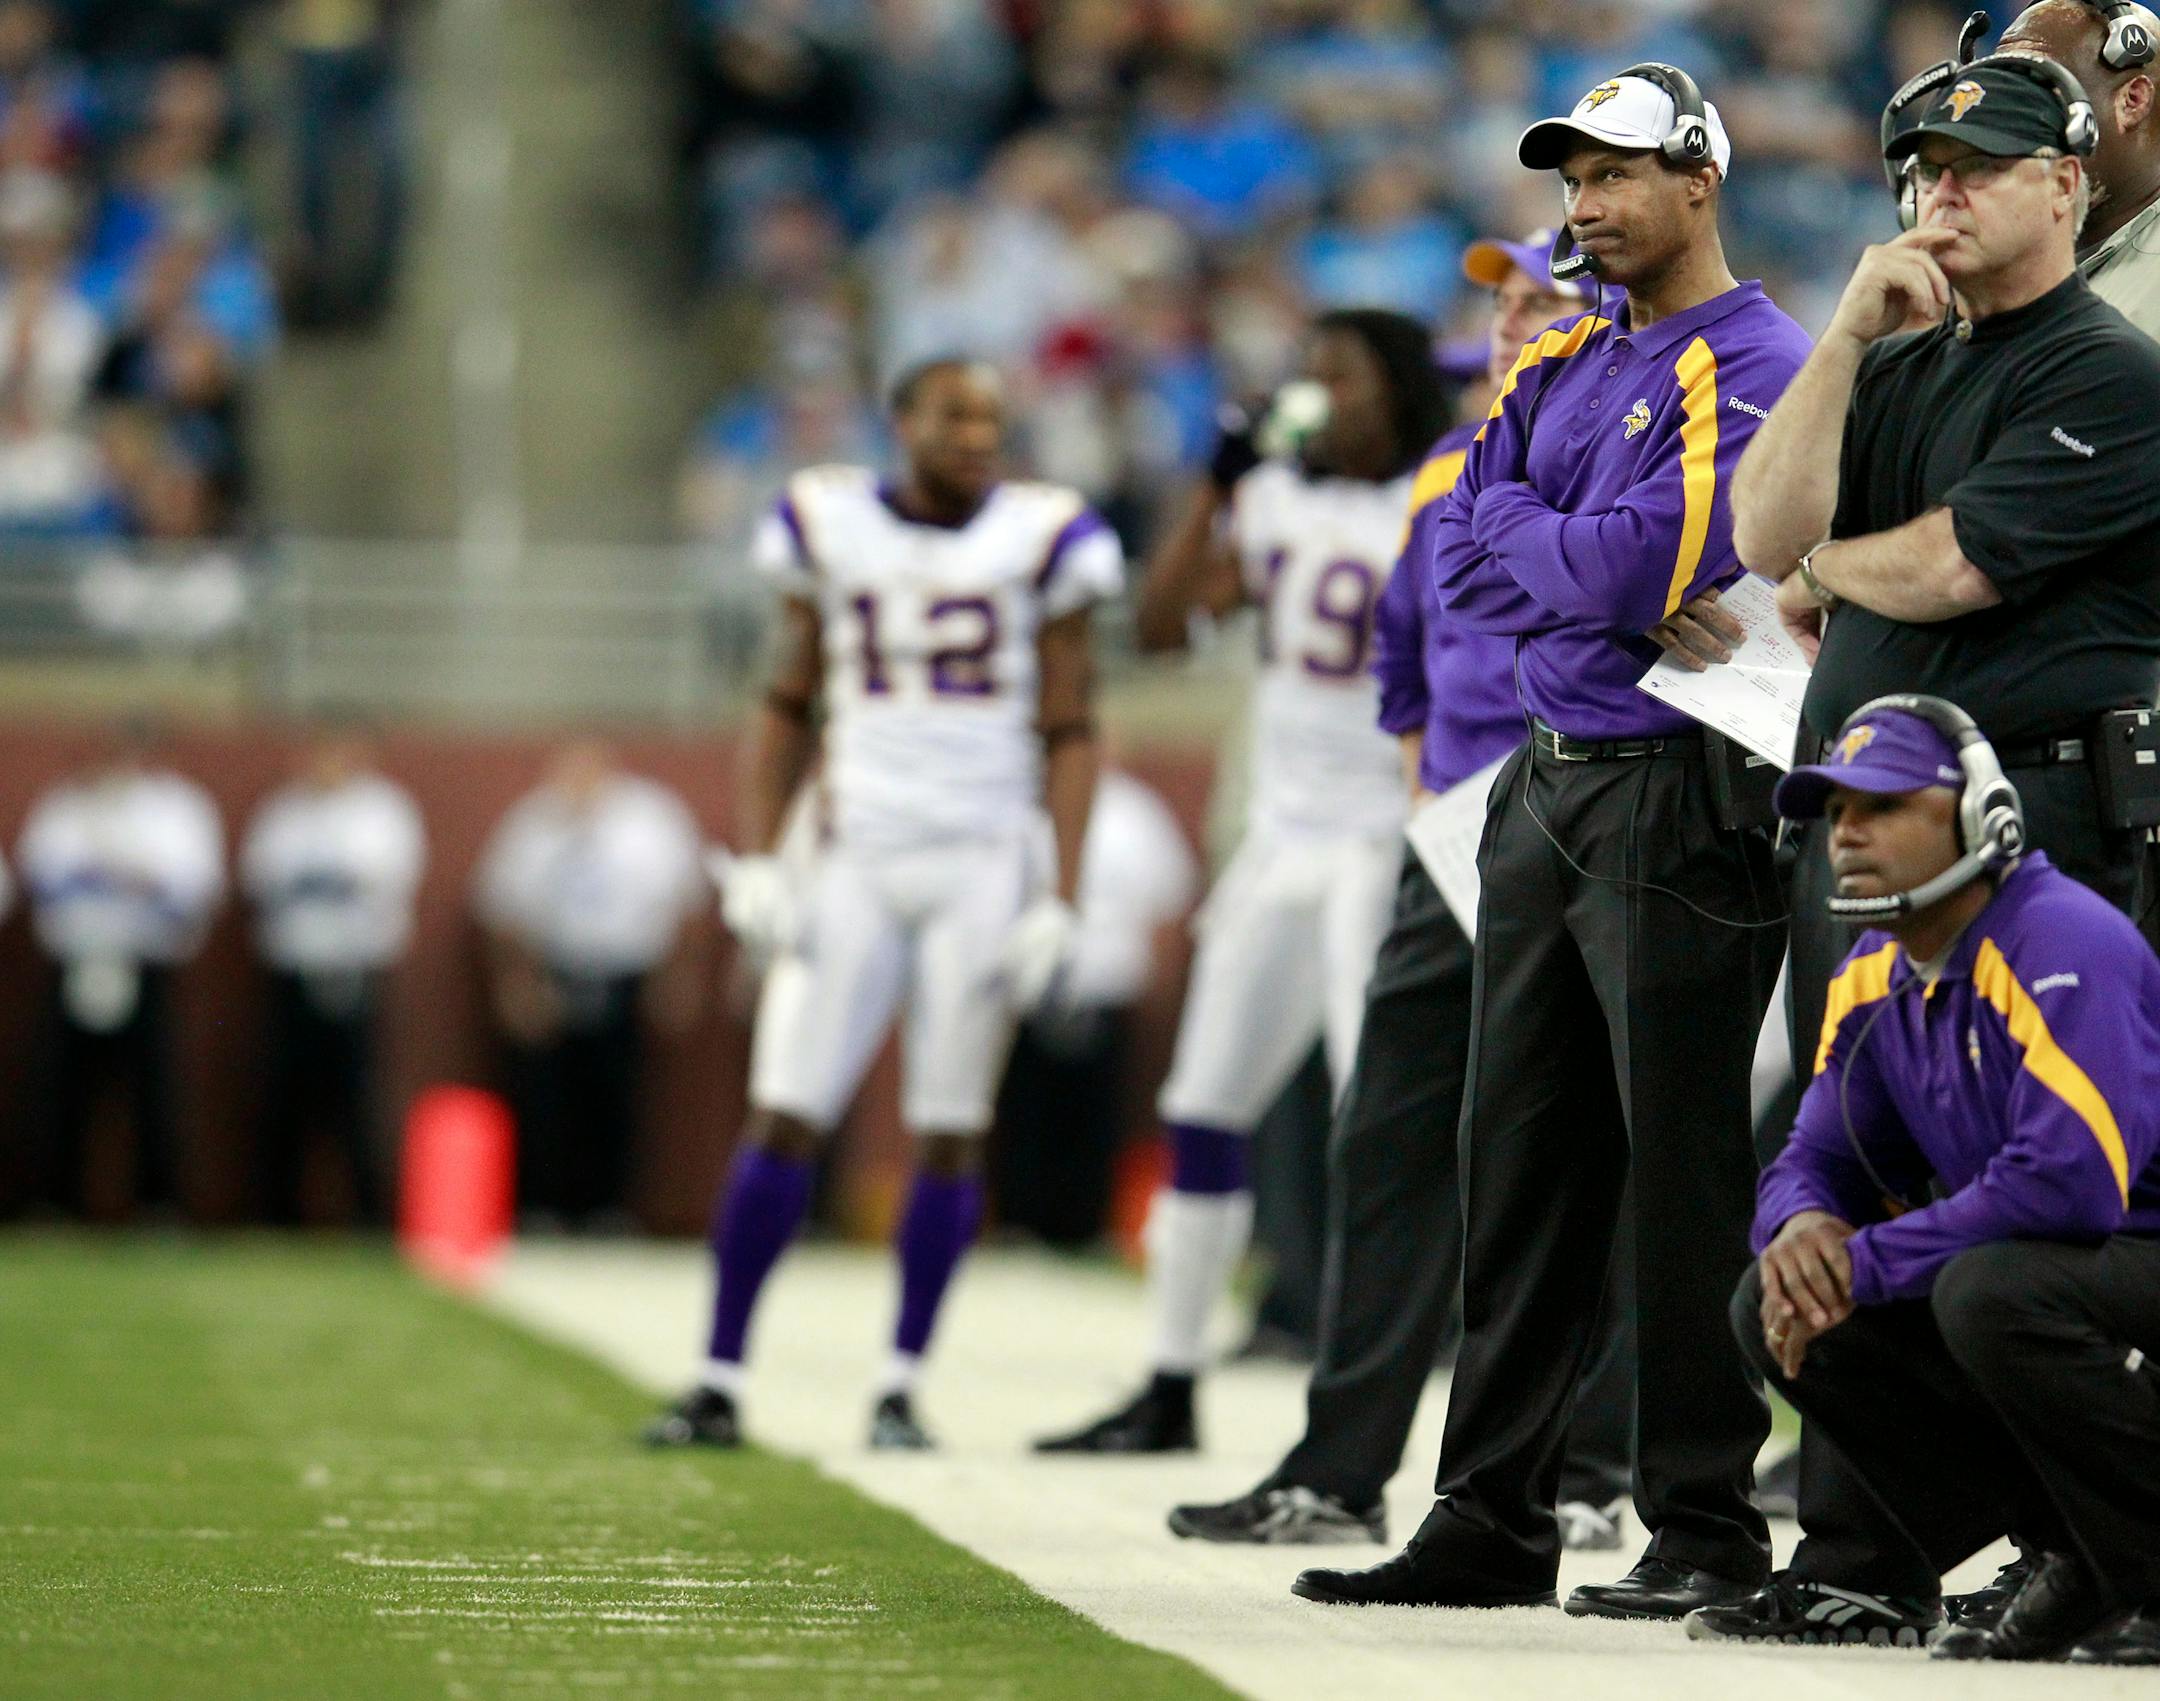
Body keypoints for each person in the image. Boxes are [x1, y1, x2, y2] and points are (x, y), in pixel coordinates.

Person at [1294, 66, 1810, 1618]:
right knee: (1511, 1162)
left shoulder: (1756, 355)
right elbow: (1463, 551)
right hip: (1543, 779)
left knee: (1679, 1169)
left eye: (1619, 177)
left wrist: (1564, 550)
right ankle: (1492, 1513)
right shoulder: (1572, 351)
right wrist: (1568, 556)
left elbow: (1649, 554)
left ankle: (1705, 1524)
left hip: (1679, 783)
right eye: (1573, 179)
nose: (1586, 206)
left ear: (1700, 181)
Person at [1728, 51, 2160, 1620]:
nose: (1941, 192)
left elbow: (1955, 567)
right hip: (1867, 822)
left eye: (1979, 163)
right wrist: (1843, 334)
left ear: (2070, 182)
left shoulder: (2107, 369)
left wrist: (1834, 569)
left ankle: (2094, 1552)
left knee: (2021, 1217)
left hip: (2036, 824)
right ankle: (1863, 1561)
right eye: (1922, 168)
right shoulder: (1900, 361)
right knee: (1854, 1173)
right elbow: (1757, 534)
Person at [1165, 230, 1635, 1552]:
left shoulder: (1636, 451)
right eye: (1500, 300)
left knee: (1582, 1150)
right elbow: (1407, 660)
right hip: (1453, 828)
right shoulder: (1447, 466)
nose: (1506, 320)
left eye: (1542, 299)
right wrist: (1429, 789)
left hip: (1590, 818)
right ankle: (1339, 1465)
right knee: (1388, 1138)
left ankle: (1592, 1469)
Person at [644, 357, 1121, 1452]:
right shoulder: (829, 518)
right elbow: (784, 698)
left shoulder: (1044, 534)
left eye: (993, 420)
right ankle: (717, 1377)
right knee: (785, 1108)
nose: (977, 436)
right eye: (955, 416)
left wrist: (1063, 887)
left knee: (950, 1130)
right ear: (900, 422)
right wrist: (760, 854)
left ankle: (901, 1385)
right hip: (853, 846)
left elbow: (1073, 723)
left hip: (984, 855)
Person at [1031, 309, 1451, 1455]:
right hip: (1279, 841)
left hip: (1388, 839)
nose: (1315, 393)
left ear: (1399, 392)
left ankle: (1376, 1407)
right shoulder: (1270, 497)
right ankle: (1169, 1381)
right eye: (1307, 371)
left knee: (1385, 1132)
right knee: (1205, 1108)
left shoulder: (1444, 495)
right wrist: (1212, 488)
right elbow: (1162, 627)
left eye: (1341, 376)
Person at [1684, 696, 2160, 1666]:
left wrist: (1863, 1261)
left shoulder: (2067, 939)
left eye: (1884, 805)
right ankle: (2075, 1555)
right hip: (2077, 1276)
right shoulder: (1875, 968)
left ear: (1985, 814)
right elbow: (1811, 1157)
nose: (1849, 834)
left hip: (2127, 1253)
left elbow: (2068, 1187)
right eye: (1836, 813)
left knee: (1988, 1291)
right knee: (1774, 1305)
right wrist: (1802, 1230)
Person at [475, 741, 707, 1230]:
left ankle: (610, 1209)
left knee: (616, 1097)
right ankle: (541, 1207)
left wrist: (676, 977)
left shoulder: (650, 821)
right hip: (554, 973)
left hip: (624, 973)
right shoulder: (532, 823)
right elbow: (501, 909)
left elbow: (688, 902)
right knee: (545, 1099)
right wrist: (516, 982)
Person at [18, 724, 223, 1216]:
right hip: (78, 959)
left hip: (146, 962)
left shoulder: (178, 811)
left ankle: (158, 1203)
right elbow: (42, 876)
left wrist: (123, 877)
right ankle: (54, 1202)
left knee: (153, 1088)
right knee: (61, 1090)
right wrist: (120, 878)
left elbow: (192, 886)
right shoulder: (68, 807)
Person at [990, 765, 1198, 1251]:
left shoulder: (1136, 814)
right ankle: (1017, 1220)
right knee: (1025, 1108)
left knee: (1094, 1111)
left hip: (1109, 983)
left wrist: (1159, 983)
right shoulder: (1026, 806)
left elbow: (1169, 899)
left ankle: (1086, 1224)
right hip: (1032, 984)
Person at [241, 721, 424, 1225]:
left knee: (357, 1095)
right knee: (285, 1094)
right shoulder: (284, 813)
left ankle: (367, 1213)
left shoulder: (384, 813)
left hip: (356, 969)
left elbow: (387, 882)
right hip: (294, 968)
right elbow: (259, 880)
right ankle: (276, 1214)